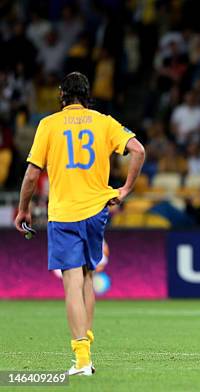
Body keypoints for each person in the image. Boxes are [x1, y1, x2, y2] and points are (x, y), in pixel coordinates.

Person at [14, 72, 145, 376]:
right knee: (86, 276)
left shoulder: (48, 124)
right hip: (97, 211)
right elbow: (138, 150)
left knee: (72, 279)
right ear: (87, 96)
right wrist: (124, 190)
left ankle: (82, 358)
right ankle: (87, 344)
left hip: (64, 212)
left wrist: (23, 210)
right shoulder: (104, 121)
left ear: (61, 95)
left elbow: (32, 175)